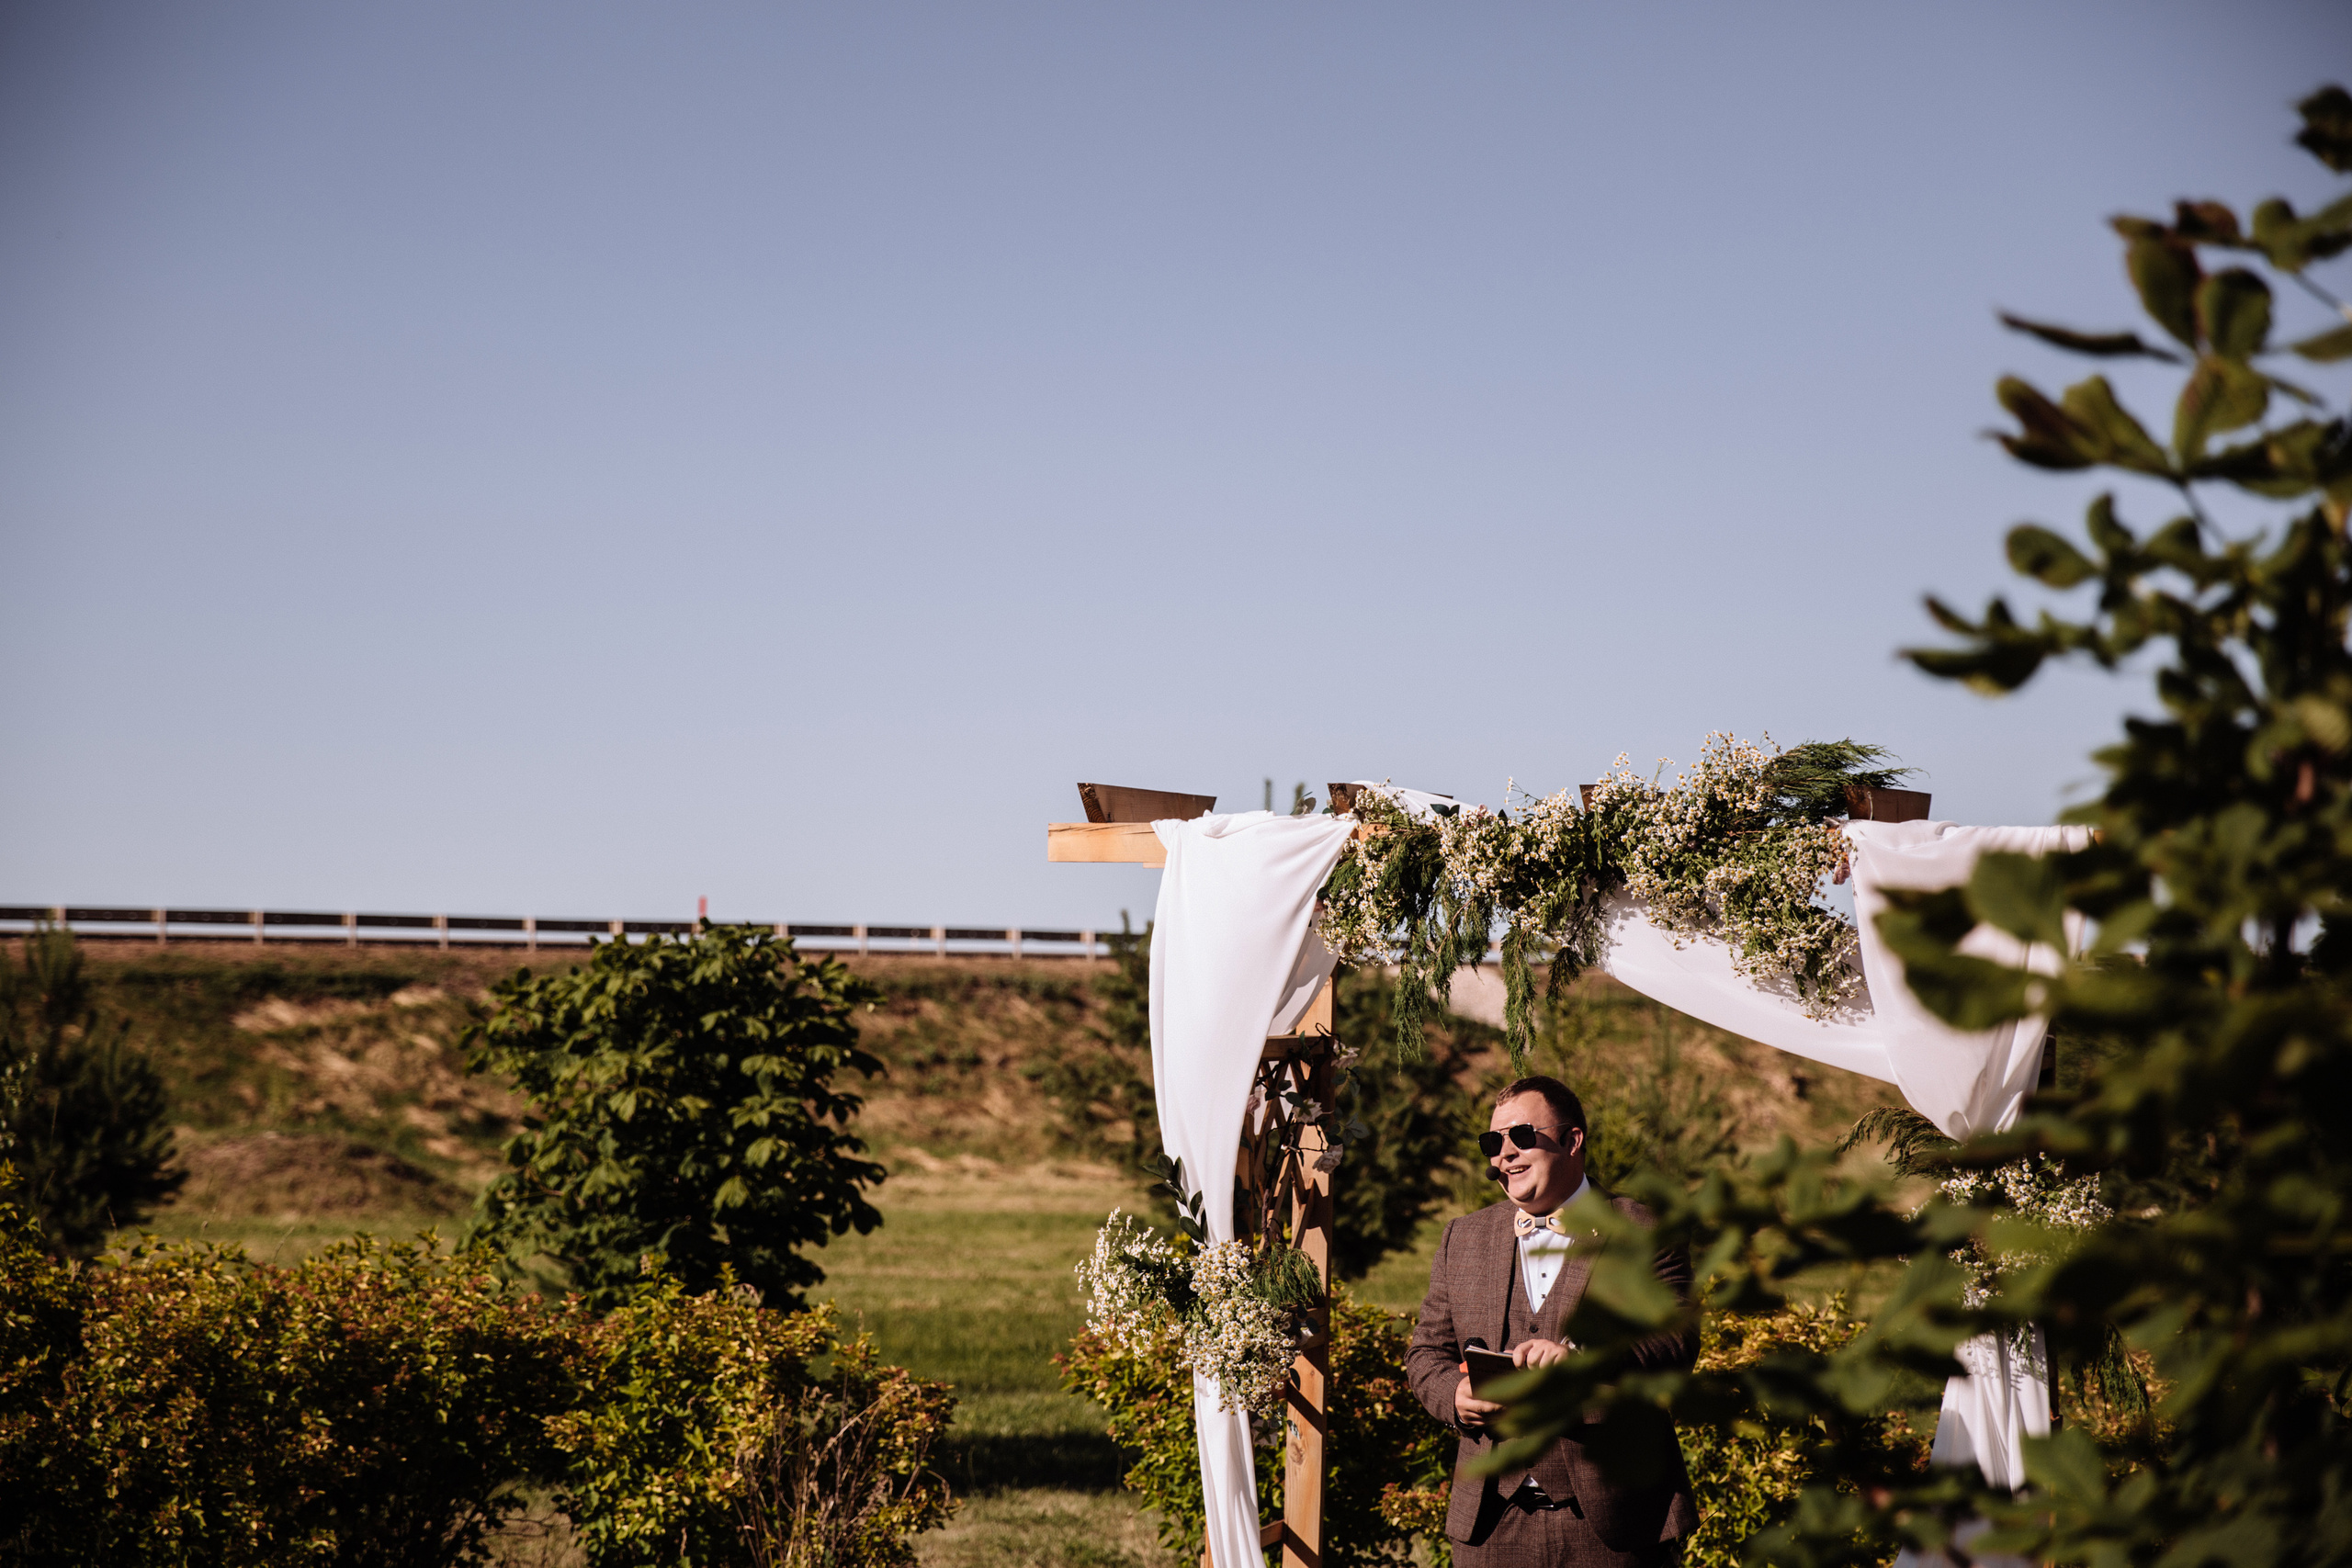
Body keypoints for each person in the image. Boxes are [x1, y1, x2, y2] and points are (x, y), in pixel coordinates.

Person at [1406, 1076, 1699, 1566]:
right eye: (1491, 1143)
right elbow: (1425, 1354)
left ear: (1571, 1140)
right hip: (1490, 1526)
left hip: (1615, 1523)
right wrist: (1453, 1398)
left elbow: (1674, 1340)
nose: (1504, 1155)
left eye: (1520, 1136)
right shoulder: (1463, 1237)